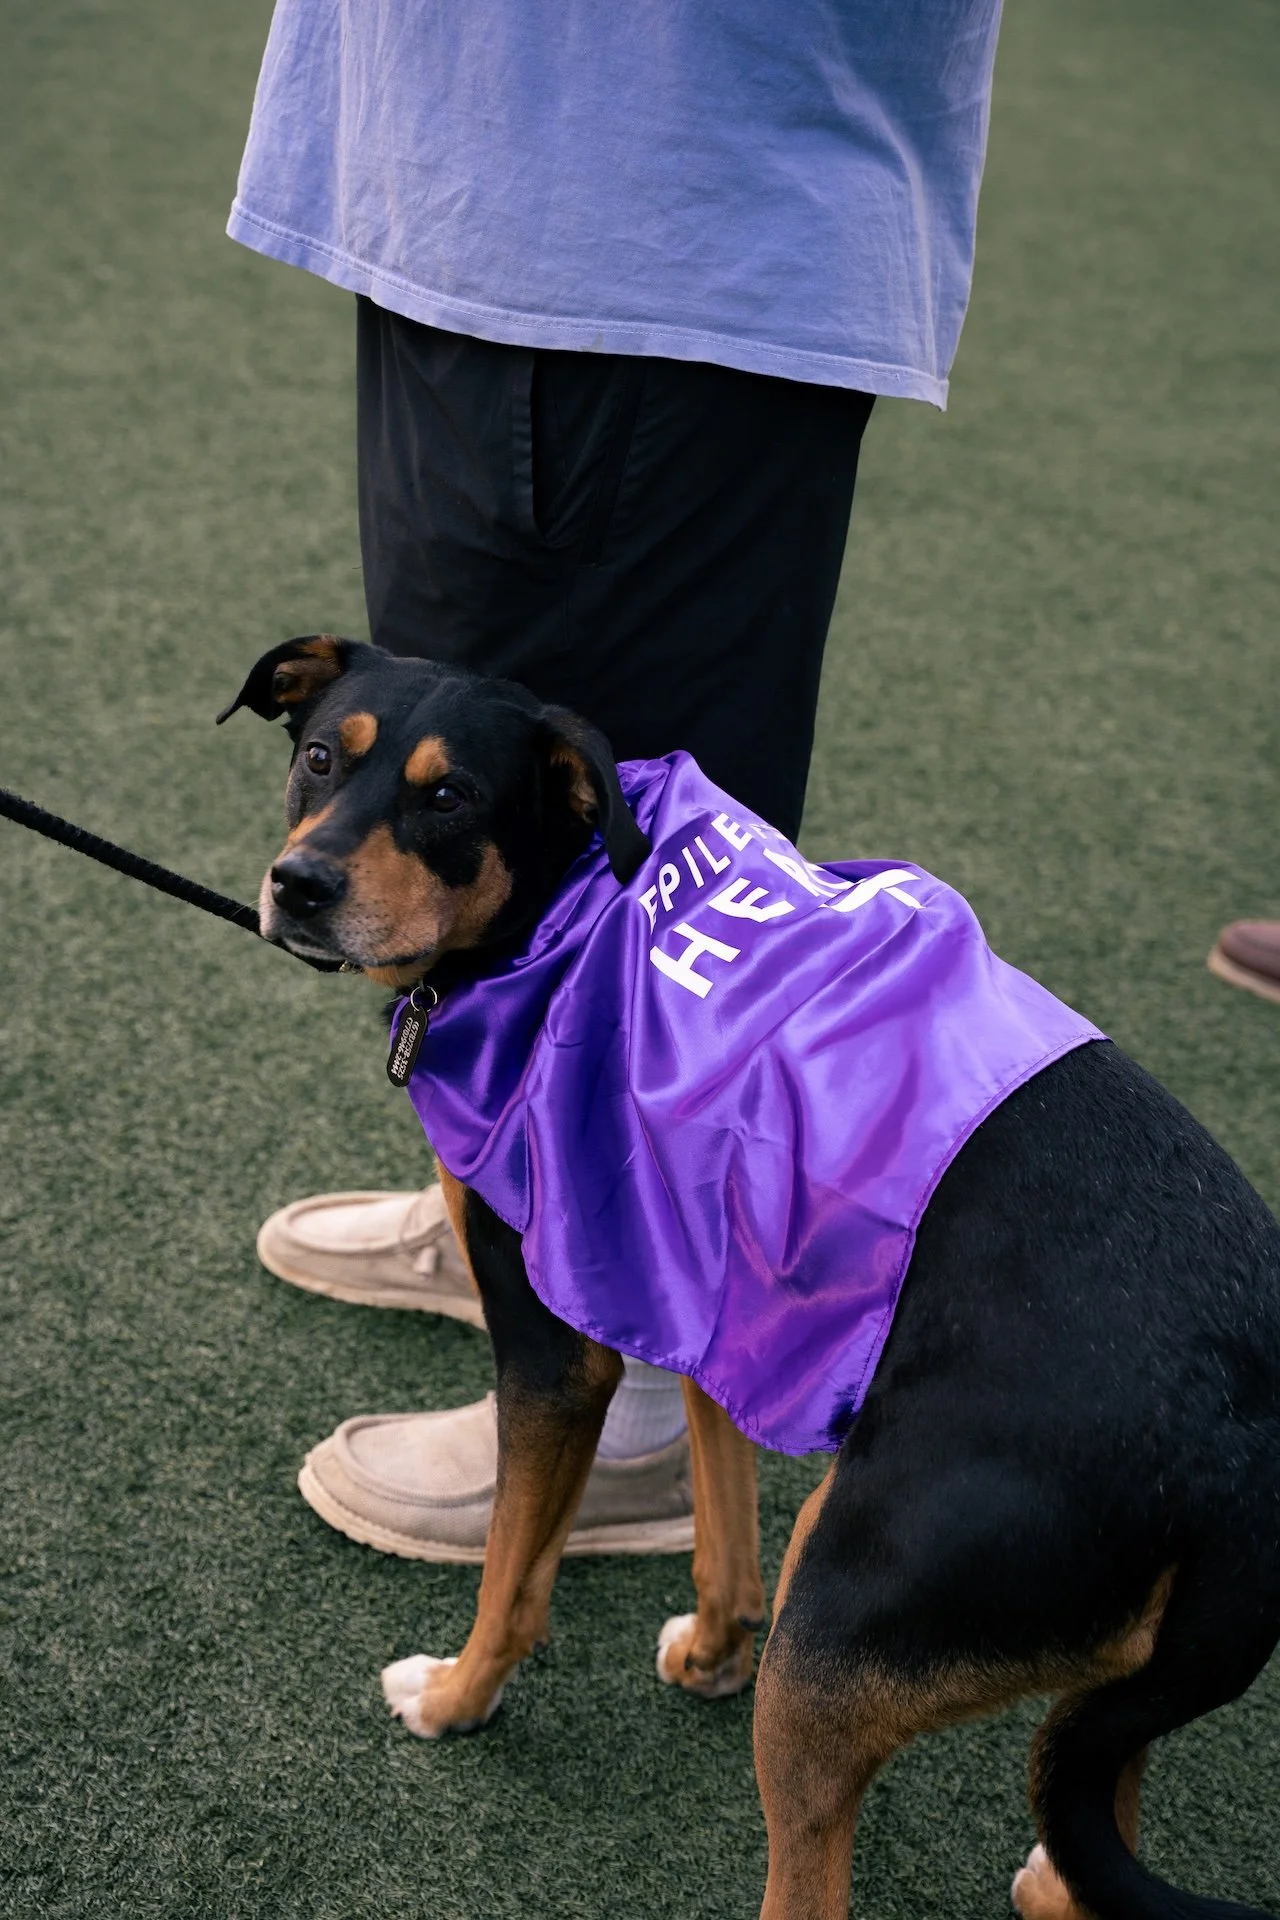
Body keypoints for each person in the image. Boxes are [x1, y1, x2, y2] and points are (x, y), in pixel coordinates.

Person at [228, 0, 1005, 1561]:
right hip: (466, 183)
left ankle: (632, 1388)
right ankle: (512, 1217)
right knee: (454, 815)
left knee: (627, 869)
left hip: (644, 217)